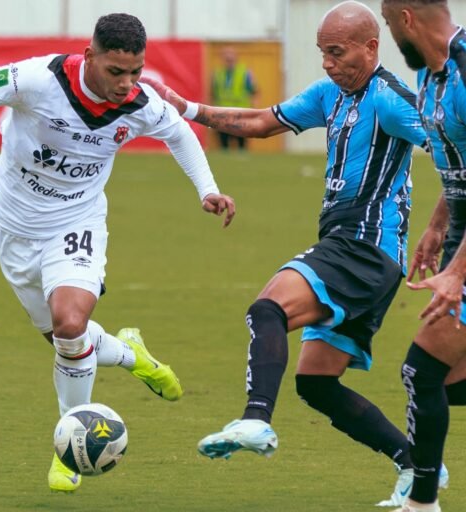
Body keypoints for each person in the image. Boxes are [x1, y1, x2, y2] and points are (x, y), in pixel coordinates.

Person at [143, 1, 448, 506]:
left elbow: (452, 154)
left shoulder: (392, 100)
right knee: (316, 382)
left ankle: (256, 420)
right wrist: (186, 108)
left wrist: (438, 228)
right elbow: (262, 122)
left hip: (363, 247)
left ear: (371, 48)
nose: (327, 63)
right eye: (321, 52)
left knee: (268, 308)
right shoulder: (330, 94)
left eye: (337, 52)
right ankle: (415, 468)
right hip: (358, 252)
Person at [0, 13, 235, 493]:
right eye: (116, 71)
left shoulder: (139, 102)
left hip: (76, 223)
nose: (127, 84)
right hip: (13, 226)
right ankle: (131, 354)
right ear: (90, 57)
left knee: (69, 324)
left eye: (136, 72)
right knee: (67, 342)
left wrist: (206, 189)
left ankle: (69, 447)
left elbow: (178, 132)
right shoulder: (38, 80)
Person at [380, 1, 466, 511]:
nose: (393, 35)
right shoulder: (429, 79)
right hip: (459, 236)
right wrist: (436, 228)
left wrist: (457, 272)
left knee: (423, 370)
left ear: (407, 18)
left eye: (389, 25)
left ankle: (421, 503)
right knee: (452, 382)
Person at [210, 46, 257, 151]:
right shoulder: (217, 74)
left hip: (241, 112)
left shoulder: (245, 73)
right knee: (224, 142)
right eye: (226, 55)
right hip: (222, 113)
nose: (228, 58)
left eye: (231, 55)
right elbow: (213, 94)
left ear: (236, 57)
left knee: (241, 142)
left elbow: (254, 92)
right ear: (222, 58)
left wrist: (254, 111)